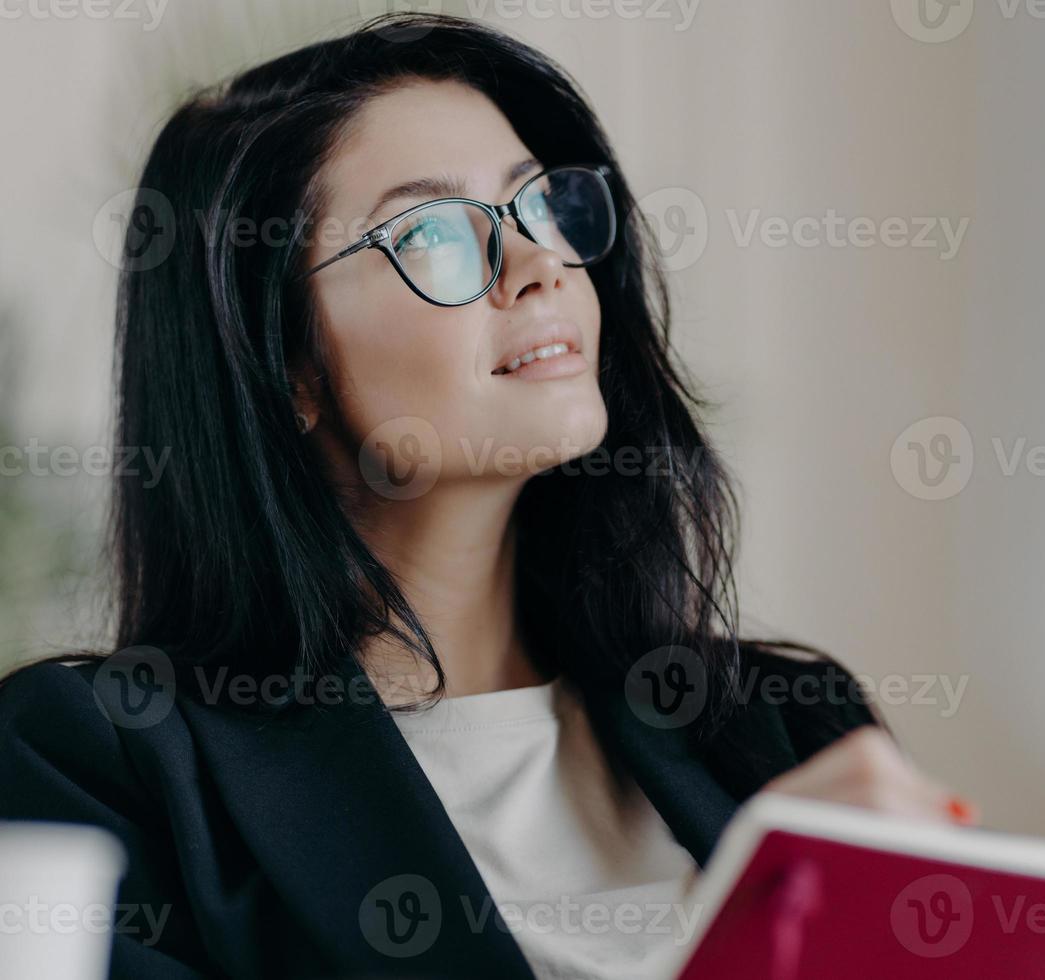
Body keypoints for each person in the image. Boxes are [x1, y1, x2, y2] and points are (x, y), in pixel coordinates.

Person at [0, 14, 977, 978]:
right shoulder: (97, 761)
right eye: (429, 232)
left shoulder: (785, 727)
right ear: (285, 361)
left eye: (542, 205)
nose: (538, 264)